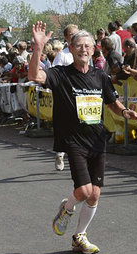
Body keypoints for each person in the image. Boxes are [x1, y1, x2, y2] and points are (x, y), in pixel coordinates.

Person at [28, 21, 137, 254]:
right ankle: (66, 209)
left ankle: (80, 236)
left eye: (87, 46)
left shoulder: (100, 76)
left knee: (95, 193)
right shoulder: (61, 74)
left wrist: (125, 112)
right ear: (70, 48)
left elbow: (112, 102)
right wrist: (38, 47)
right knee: (84, 190)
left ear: (93, 50)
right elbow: (33, 75)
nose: (83, 49)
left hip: (97, 140)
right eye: (78, 45)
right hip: (73, 140)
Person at [52, 24, 79, 171]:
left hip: (81, 97)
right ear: (67, 38)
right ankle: (60, 154)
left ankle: (79, 156)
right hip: (66, 97)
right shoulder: (63, 55)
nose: (76, 36)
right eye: (73, 34)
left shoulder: (83, 53)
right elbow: (54, 74)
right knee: (64, 127)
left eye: (77, 33)